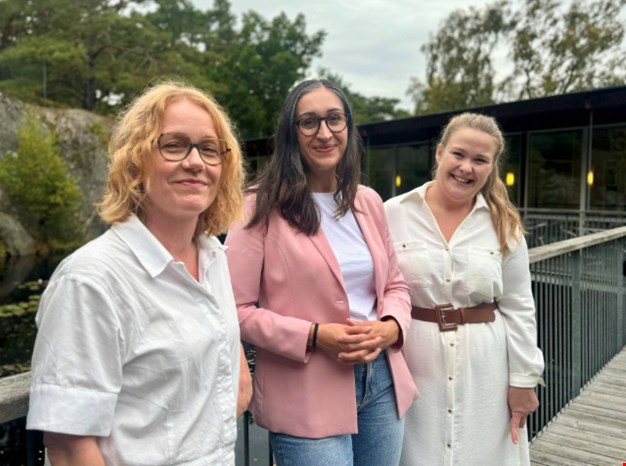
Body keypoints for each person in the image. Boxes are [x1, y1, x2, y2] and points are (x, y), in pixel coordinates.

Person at [26, 82, 252, 466]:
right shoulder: (91, 280)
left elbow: (233, 379)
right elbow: (67, 448)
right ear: (136, 161)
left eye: (209, 148)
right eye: (174, 145)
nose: (196, 162)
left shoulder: (214, 258)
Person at [225, 79, 418, 466]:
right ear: (291, 133)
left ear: (348, 125)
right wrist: (313, 336)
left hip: (380, 381)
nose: (324, 132)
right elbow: (235, 309)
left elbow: (395, 285)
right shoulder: (256, 207)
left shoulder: (368, 201)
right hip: (305, 391)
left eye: (334, 119)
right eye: (309, 122)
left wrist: (392, 326)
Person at [385, 113, 545, 466]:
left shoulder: (504, 225)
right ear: (439, 153)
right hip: (413, 364)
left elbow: (519, 307)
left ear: (491, 168)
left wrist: (524, 379)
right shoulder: (391, 214)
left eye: (479, 160)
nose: (466, 167)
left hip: (486, 369)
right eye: (458, 154)